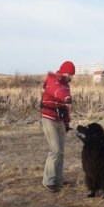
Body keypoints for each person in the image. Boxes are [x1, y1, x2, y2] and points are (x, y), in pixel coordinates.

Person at [40, 60, 75, 192]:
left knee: (60, 152)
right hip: (49, 119)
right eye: (69, 73)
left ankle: (58, 180)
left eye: (72, 75)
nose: (71, 77)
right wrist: (67, 98)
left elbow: (65, 108)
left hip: (59, 120)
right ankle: (48, 181)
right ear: (63, 71)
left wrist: (66, 122)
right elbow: (57, 92)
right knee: (55, 150)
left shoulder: (66, 86)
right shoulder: (52, 80)